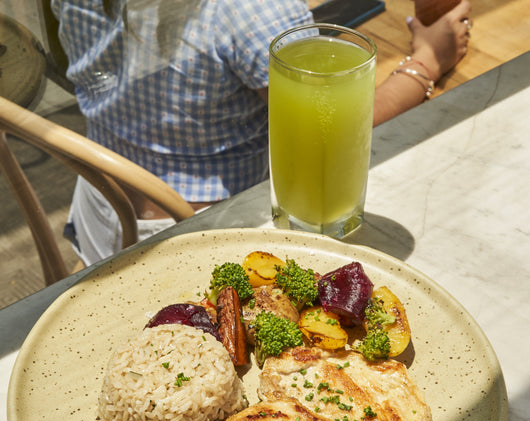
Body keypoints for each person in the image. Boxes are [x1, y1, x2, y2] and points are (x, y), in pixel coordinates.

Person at [52, 0, 472, 265]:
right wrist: (426, 64)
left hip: (99, 201)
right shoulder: (252, 10)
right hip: (199, 229)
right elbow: (335, 125)